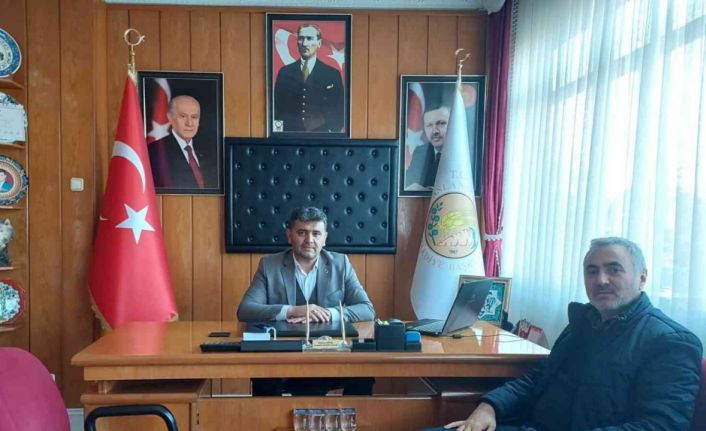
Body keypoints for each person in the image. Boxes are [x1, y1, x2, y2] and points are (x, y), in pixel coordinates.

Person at [426, 237, 703, 431]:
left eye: (614, 270)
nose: (601, 280)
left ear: (642, 277)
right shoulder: (583, 323)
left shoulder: (670, 342)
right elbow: (538, 379)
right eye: (592, 271)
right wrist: (489, 407)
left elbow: (661, 425)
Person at [237, 206, 375, 396]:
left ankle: (351, 416)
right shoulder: (269, 265)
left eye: (316, 233)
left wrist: (331, 313)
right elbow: (245, 309)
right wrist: (292, 310)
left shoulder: (341, 264)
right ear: (289, 235)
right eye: (302, 233)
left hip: (330, 356)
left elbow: (367, 309)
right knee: (264, 376)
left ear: (324, 238)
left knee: (364, 373)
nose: (309, 240)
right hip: (282, 359)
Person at [273, 24, 345, 133]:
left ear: (319, 43)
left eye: (309, 38)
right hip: (291, 135)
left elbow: (340, 109)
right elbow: (276, 108)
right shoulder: (285, 72)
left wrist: (331, 131)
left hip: (322, 135)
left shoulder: (332, 74)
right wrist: (280, 134)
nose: (305, 43)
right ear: (297, 42)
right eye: (301, 38)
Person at [148, 95, 217, 189]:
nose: (189, 123)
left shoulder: (210, 151)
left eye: (194, 117)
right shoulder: (155, 151)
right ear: (170, 118)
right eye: (183, 116)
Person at [406, 105, 450, 189]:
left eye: (441, 123)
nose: (435, 131)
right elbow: (409, 183)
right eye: (429, 125)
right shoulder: (420, 152)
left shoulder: (465, 153)